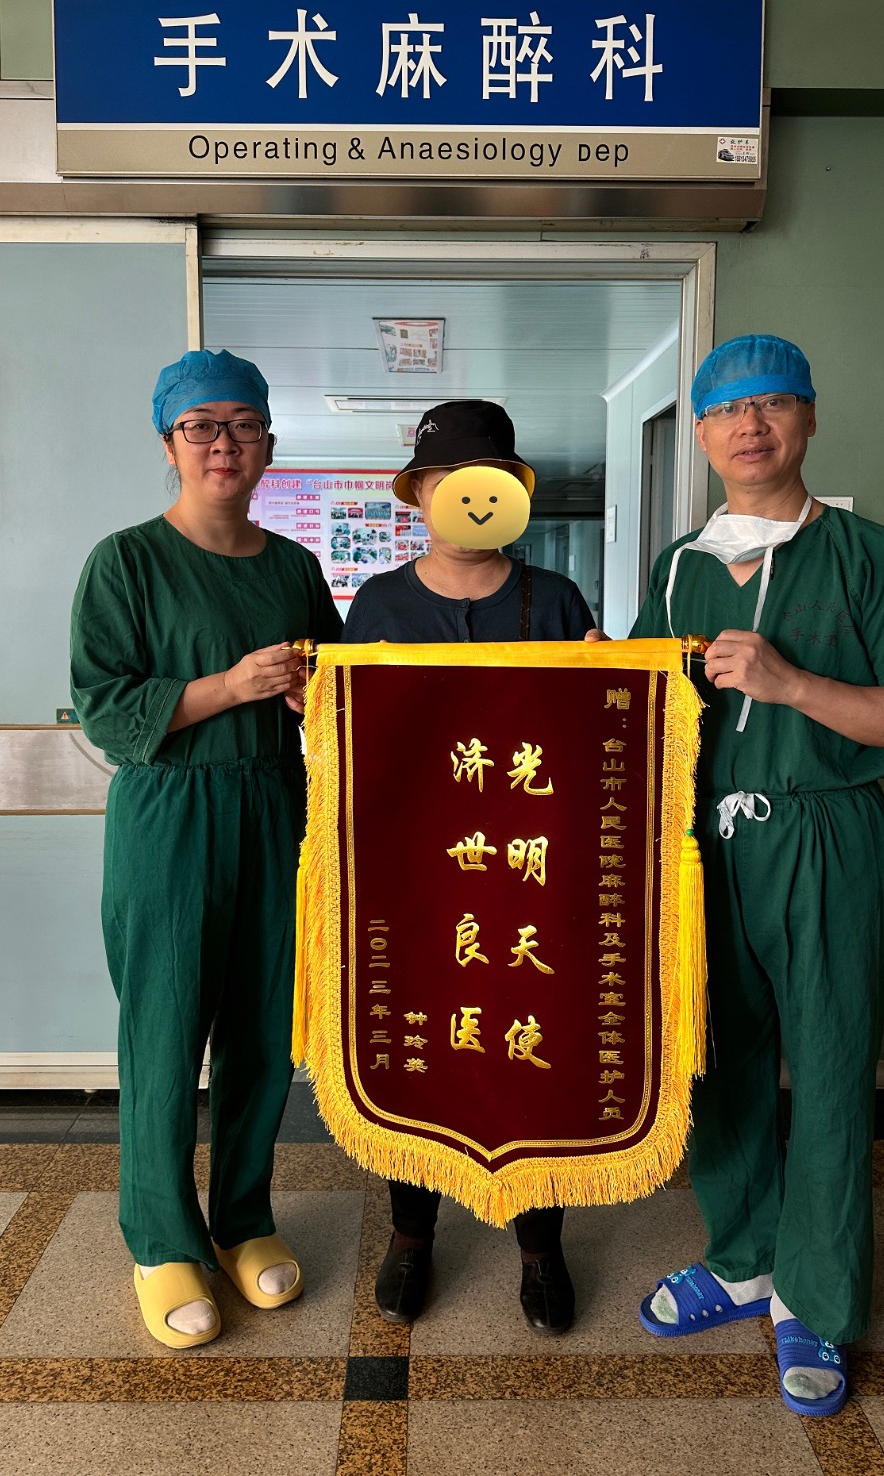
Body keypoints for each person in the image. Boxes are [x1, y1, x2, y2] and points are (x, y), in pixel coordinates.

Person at [628, 335, 884, 1418]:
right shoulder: (679, 566)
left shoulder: (869, 555)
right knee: (716, 1058)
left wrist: (793, 683)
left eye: (772, 404)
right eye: (727, 410)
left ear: (809, 418)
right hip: (701, 846)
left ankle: (814, 1295)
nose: (750, 425)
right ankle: (742, 1258)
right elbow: (645, 711)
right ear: (702, 434)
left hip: (822, 834)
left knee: (828, 1062)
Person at [71, 348, 342, 1349]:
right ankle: (160, 1240)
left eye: (242, 425)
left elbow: (338, 691)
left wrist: (314, 697)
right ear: (169, 443)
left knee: (263, 1031)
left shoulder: (294, 568)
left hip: (275, 809)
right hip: (169, 815)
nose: (223, 443)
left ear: (268, 444)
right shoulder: (126, 563)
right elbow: (105, 709)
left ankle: (242, 1219)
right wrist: (230, 687)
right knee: (165, 1028)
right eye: (201, 426)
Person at [342, 399, 596, 1336]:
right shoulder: (379, 604)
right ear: (418, 496)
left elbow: (592, 742)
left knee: (534, 1046)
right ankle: (411, 1235)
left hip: (530, 875)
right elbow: (356, 747)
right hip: (418, 881)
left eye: (481, 480)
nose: (463, 497)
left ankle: (540, 1246)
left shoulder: (557, 600)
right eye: (443, 481)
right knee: (418, 1050)